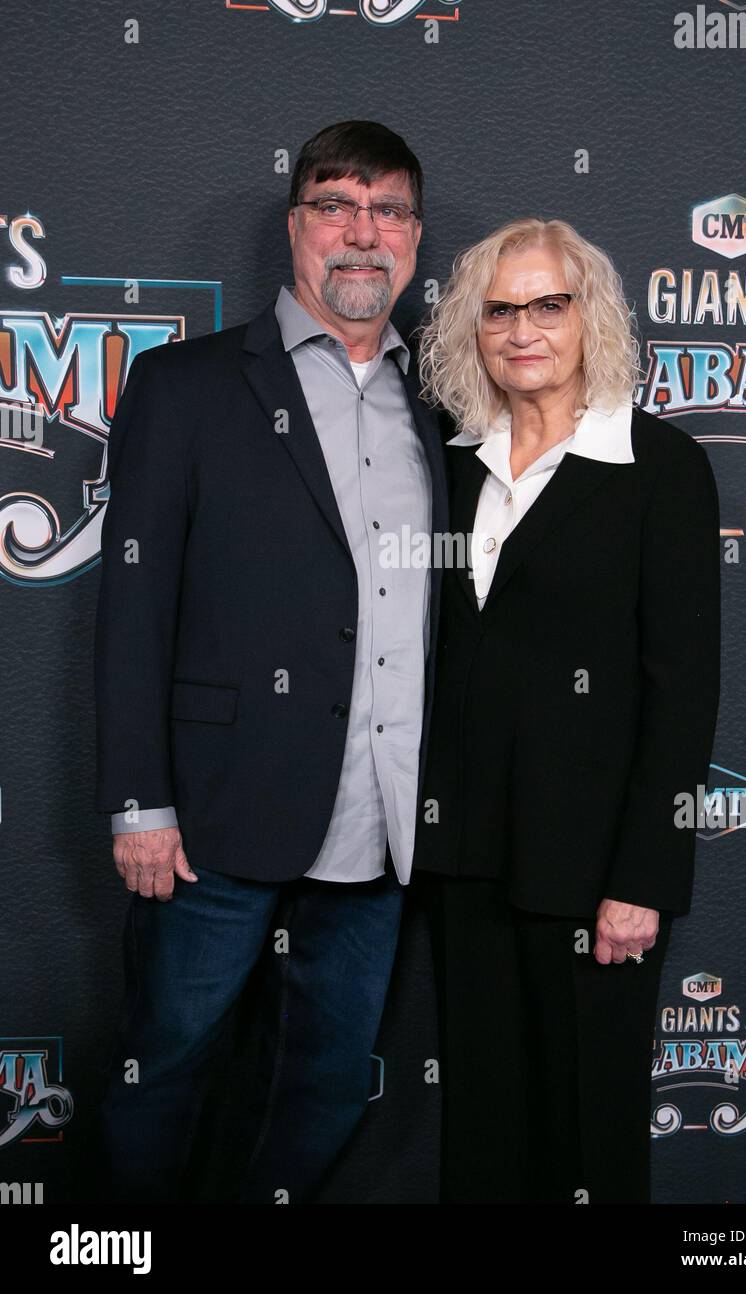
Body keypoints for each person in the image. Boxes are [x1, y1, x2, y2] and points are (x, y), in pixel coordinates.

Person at [93, 120, 448, 1203]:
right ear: (295, 228)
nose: (361, 233)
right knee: (166, 1071)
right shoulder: (184, 385)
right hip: (211, 818)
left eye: (386, 210)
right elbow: (134, 605)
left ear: (414, 240)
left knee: (331, 1085)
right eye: (335, 205)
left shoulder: (439, 412)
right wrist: (138, 803)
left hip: (380, 823)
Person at [412, 216, 721, 1204]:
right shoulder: (450, 461)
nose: (522, 328)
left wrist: (642, 877)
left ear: (591, 316)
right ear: (471, 327)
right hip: (464, 857)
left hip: (594, 874)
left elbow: (682, 690)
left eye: (549, 303)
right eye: (498, 309)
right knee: (482, 1137)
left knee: (586, 1141)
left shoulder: (658, 468)